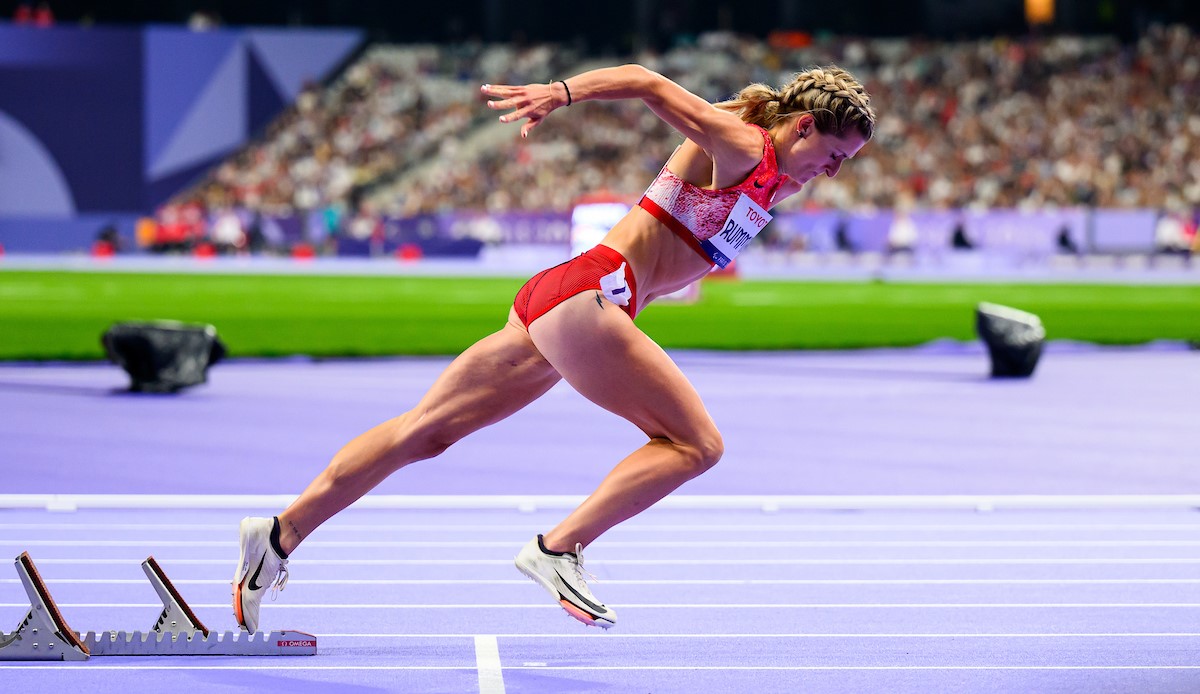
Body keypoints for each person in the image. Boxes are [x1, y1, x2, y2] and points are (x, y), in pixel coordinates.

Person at [233, 63, 875, 632]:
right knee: (697, 445)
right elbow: (647, 82)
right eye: (836, 154)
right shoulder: (745, 148)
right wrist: (560, 94)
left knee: (424, 432)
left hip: (565, 297)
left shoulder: (771, 173)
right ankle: (559, 548)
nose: (834, 171)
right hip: (591, 295)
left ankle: (278, 536)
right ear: (806, 127)